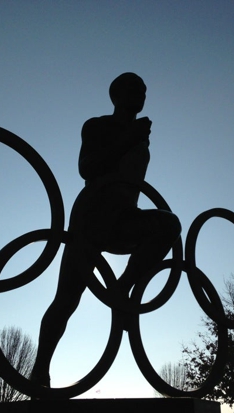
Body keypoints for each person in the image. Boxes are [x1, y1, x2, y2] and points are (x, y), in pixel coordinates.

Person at [30, 73, 181, 387]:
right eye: (134, 89)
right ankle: (40, 370)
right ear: (117, 95)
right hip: (92, 216)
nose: (141, 95)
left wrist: (136, 139)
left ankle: (121, 289)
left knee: (169, 225)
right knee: (67, 299)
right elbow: (88, 167)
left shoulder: (140, 138)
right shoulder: (97, 125)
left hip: (125, 218)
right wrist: (129, 138)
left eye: (144, 91)